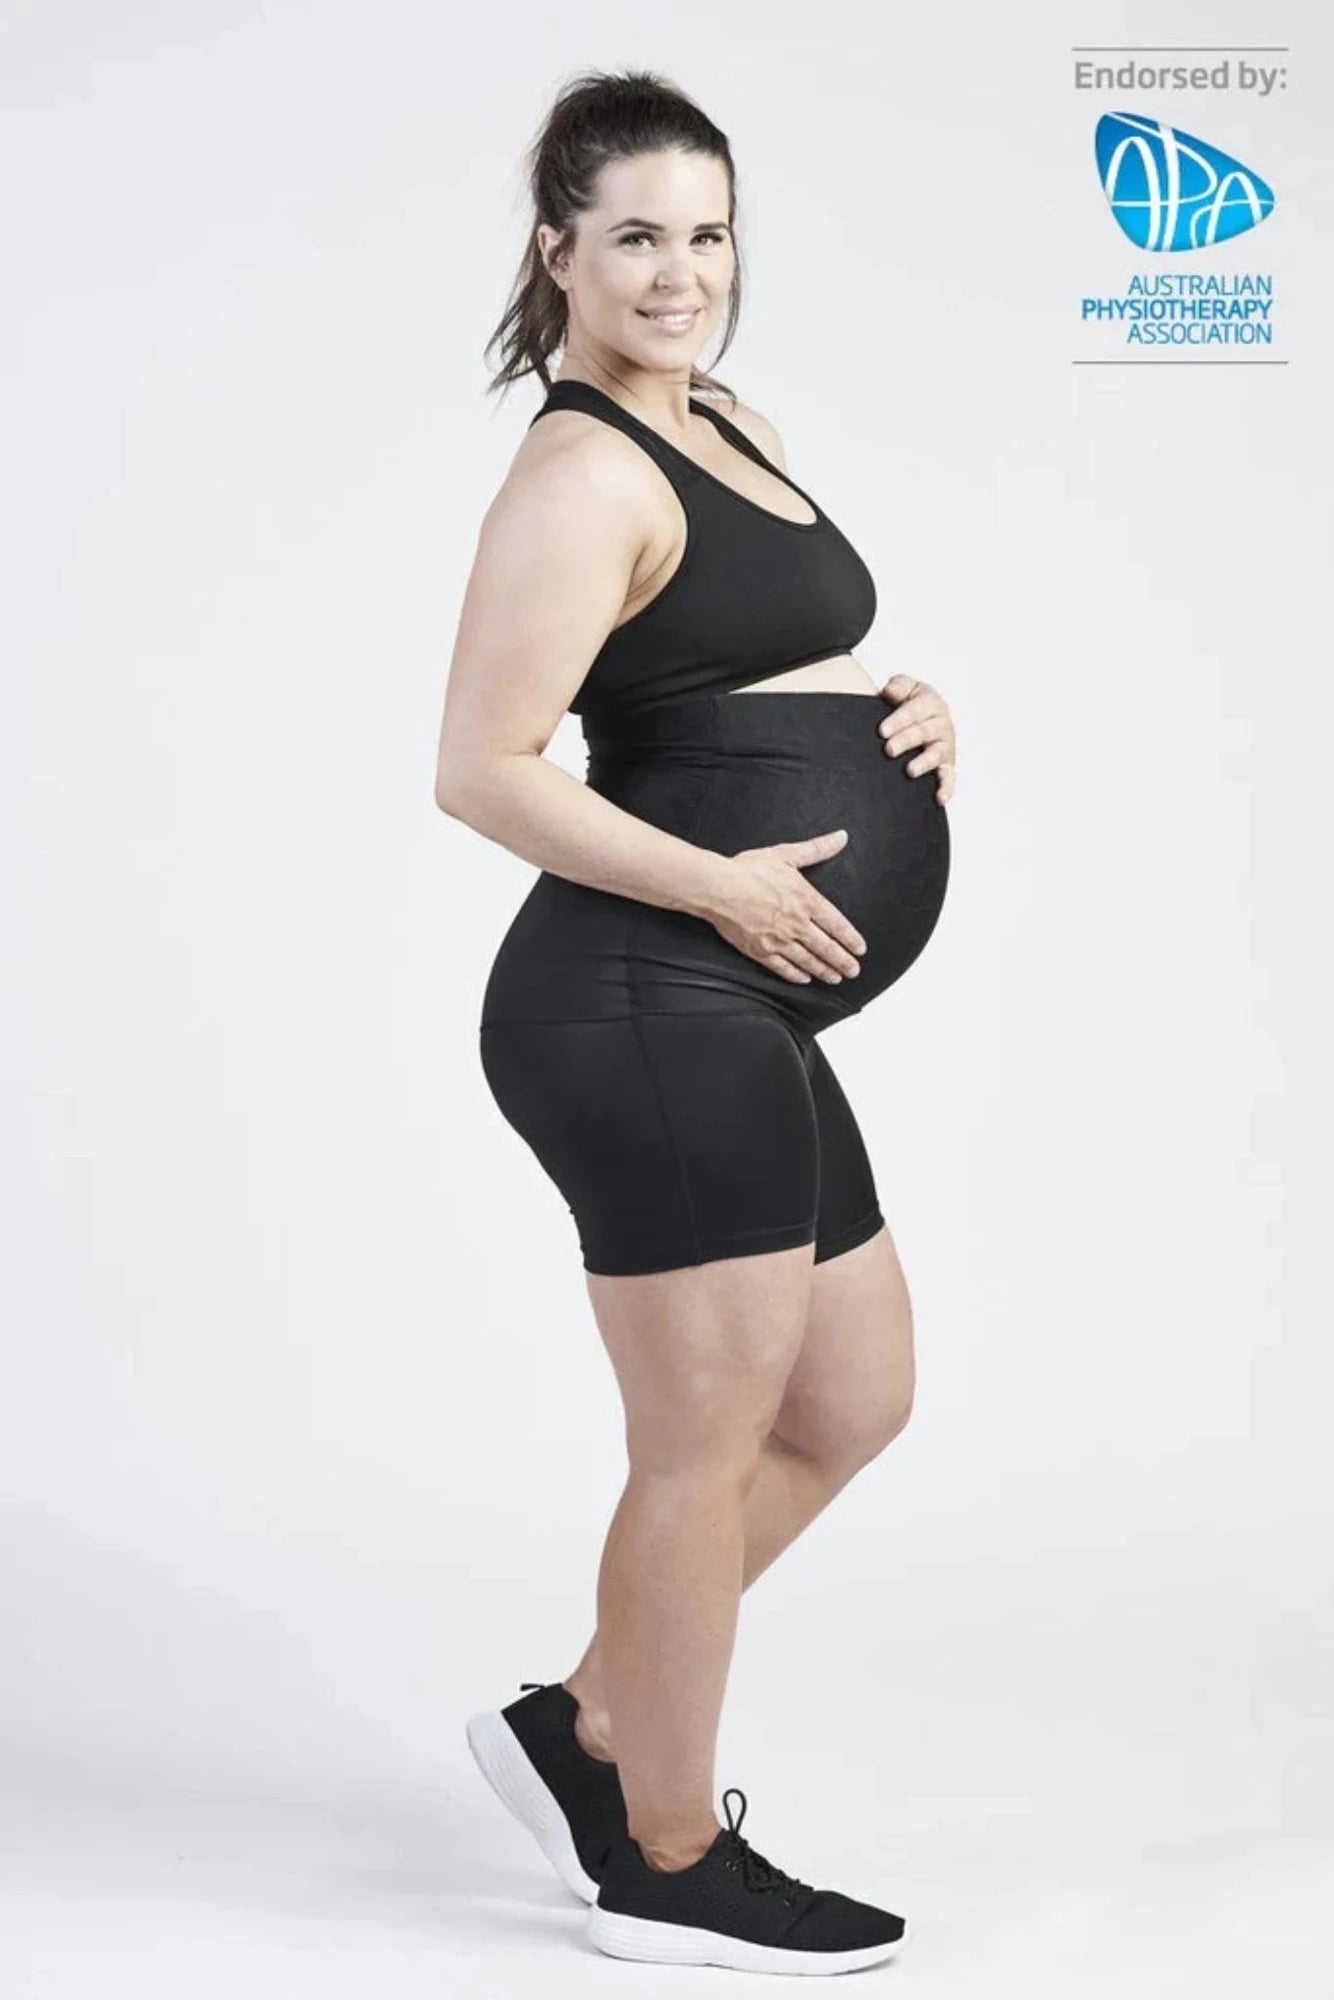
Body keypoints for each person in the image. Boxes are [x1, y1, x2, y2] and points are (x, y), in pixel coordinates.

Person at [436, 68, 957, 1976]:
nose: (679, 272)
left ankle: (586, 1722)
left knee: (851, 1399)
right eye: (636, 236)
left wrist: (900, 711)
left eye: (708, 233)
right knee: (701, 1446)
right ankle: (658, 1855)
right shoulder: (578, 472)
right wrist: (729, 886)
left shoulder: (721, 419)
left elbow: (760, 661)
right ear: (557, 253)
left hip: (734, 1008)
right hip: (646, 1000)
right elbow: (483, 768)